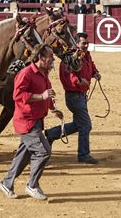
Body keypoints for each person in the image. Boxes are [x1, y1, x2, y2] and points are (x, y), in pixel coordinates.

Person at [0, 44, 63, 201]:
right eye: (50, 56)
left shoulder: (44, 73)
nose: (53, 59)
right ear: (41, 58)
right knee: (43, 151)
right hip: (26, 122)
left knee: (23, 155)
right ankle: (32, 185)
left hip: (37, 120)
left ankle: (6, 183)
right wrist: (41, 96)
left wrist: (54, 109)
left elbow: (47, 94)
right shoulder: (26, 73)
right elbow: (18, 95)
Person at [45, 32, 101, 164]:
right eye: (83, 43)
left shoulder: (86, 54)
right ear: (76, 43)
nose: (86, 46)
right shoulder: (69, 57)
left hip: (81, 96)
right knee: (86, 125)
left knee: (79, 124)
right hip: (74, 96)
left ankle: (51, 134)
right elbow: (68, 75)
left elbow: (90, 65)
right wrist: (79, 81)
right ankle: (83, 155)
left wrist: (95, 73)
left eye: (87, 43)